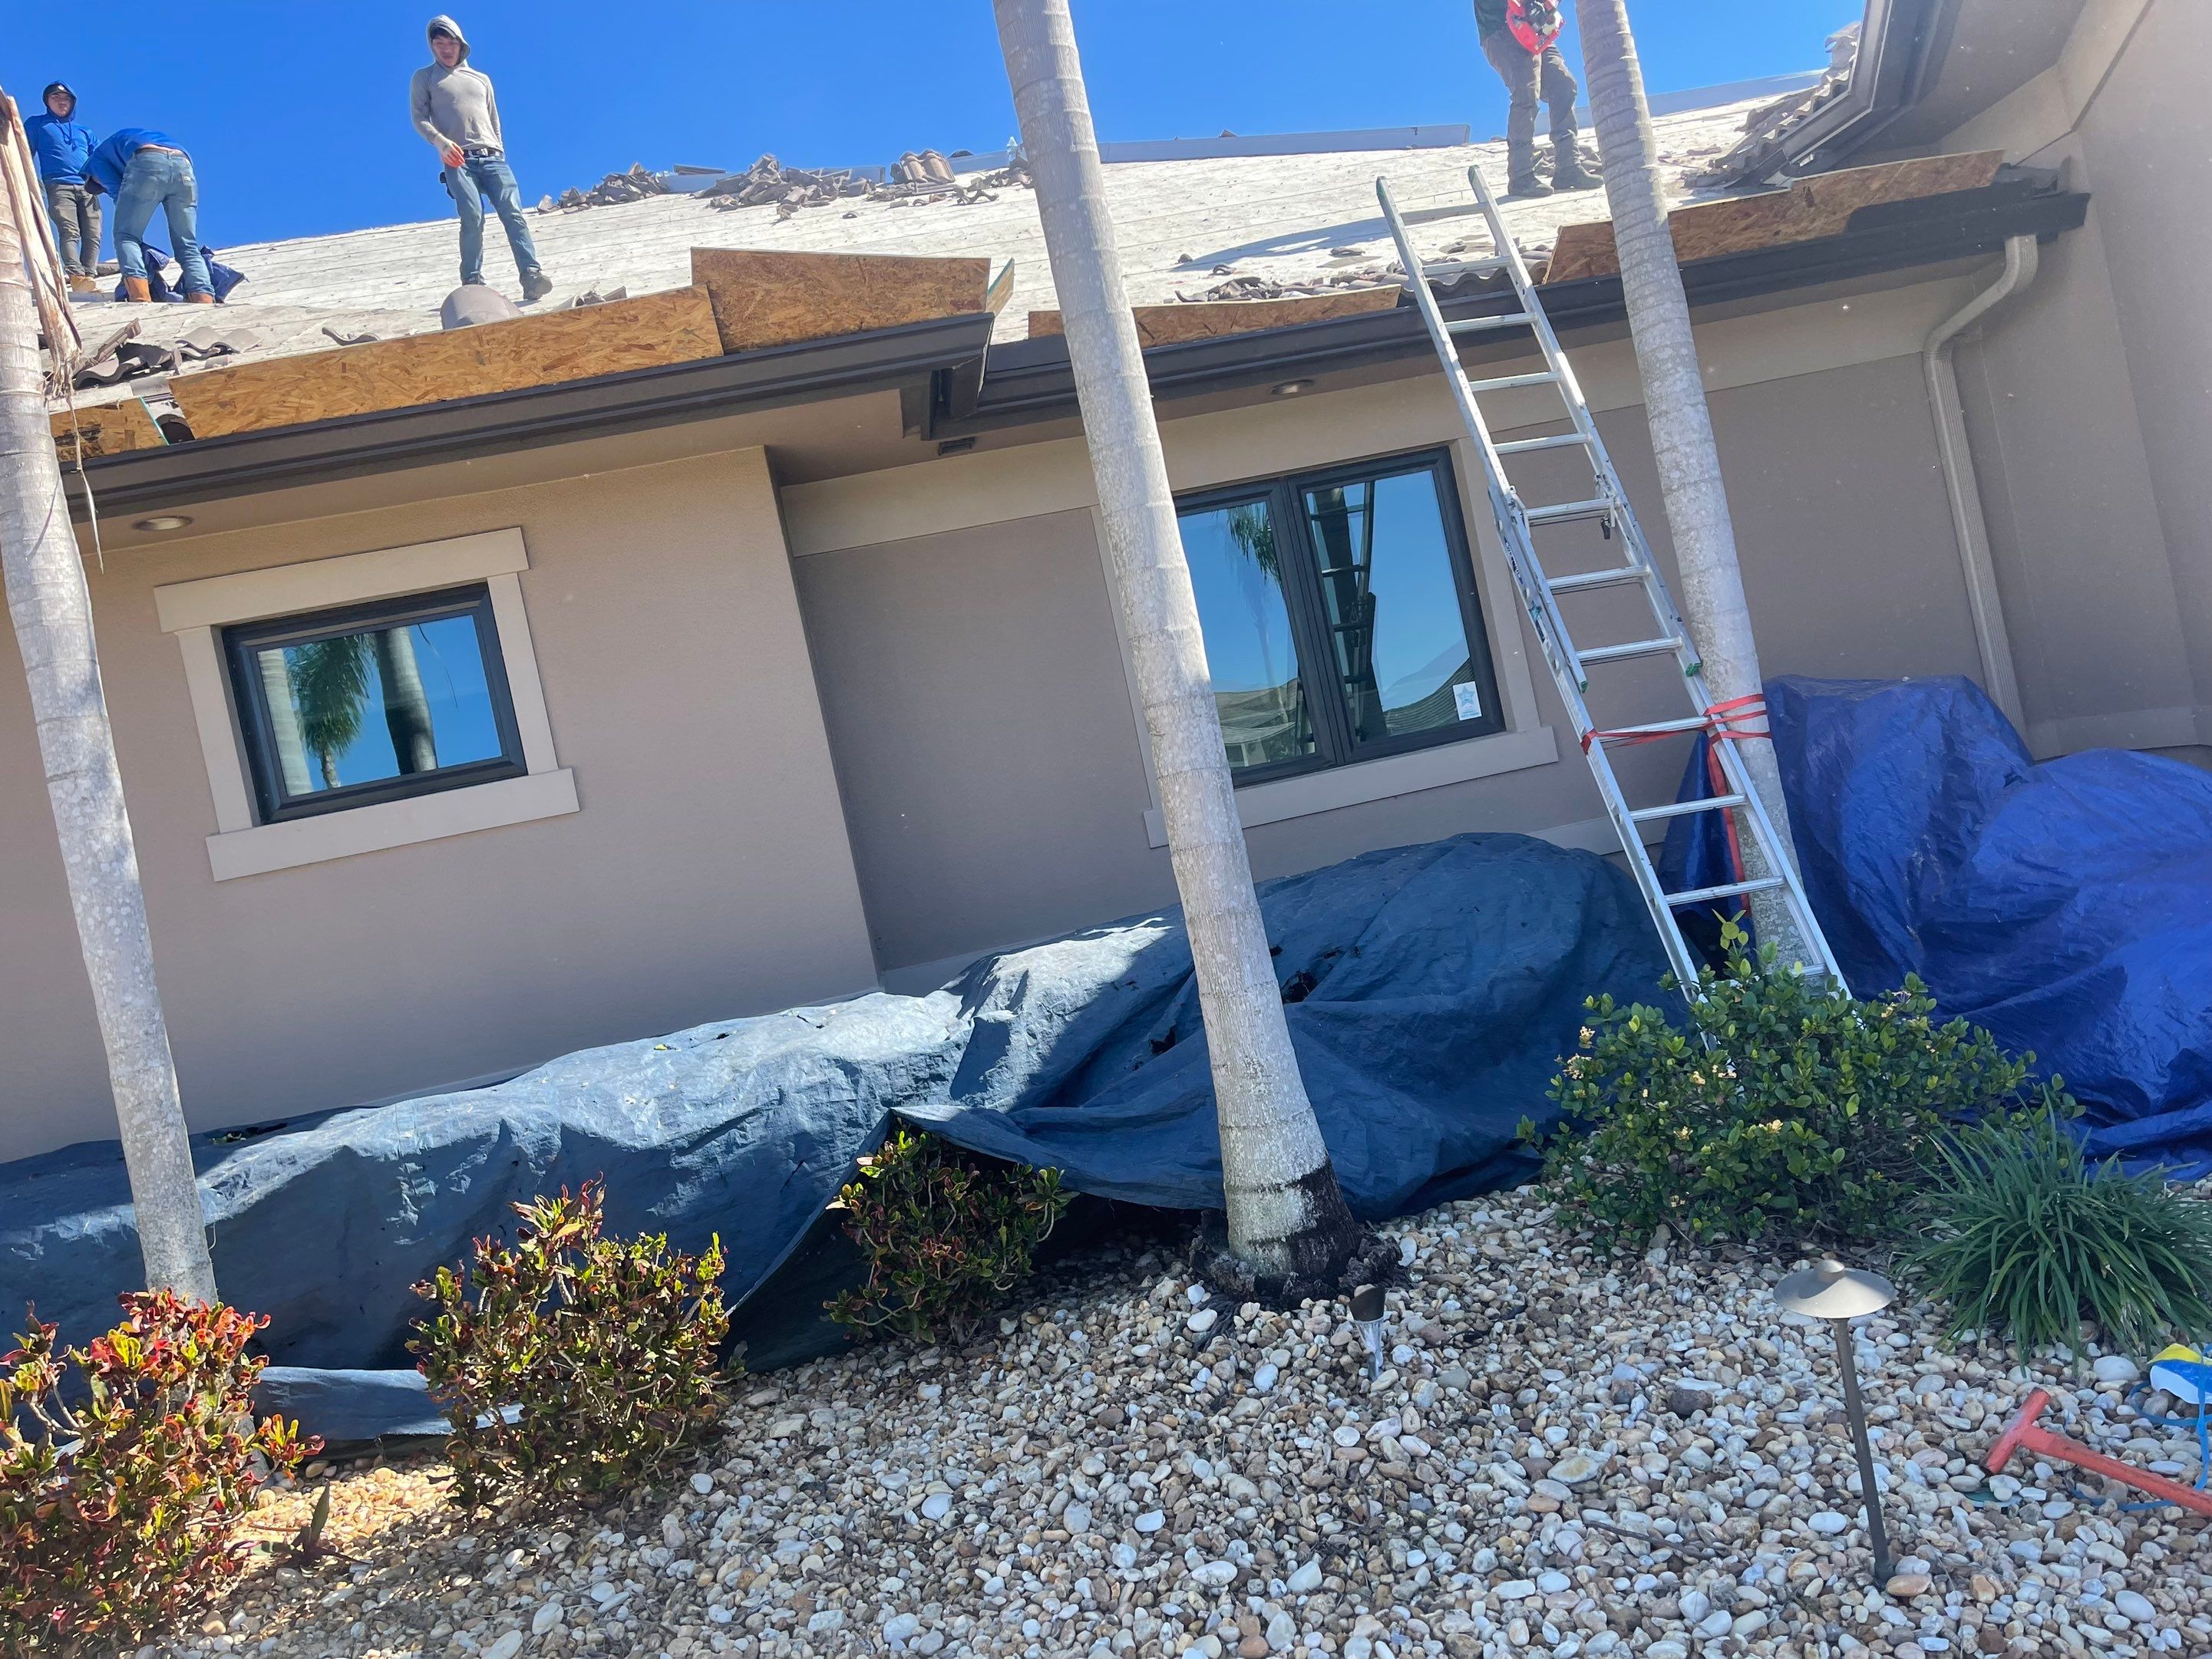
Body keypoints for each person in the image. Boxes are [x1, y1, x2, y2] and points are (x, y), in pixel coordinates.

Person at [410, 15, 553, 302]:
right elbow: (419, 118)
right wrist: (440, 143)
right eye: (439, 44)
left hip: (493, 158)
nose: (446, 49)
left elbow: (494, 120)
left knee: (514, 214)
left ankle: (532, 275)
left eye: (451, 43)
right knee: (473, 216)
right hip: (457, 159)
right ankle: (473, 281)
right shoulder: (425, 77)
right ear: (432, 46)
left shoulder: (481, 79)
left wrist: (500, 152)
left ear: (461, 45)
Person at [1474, 0, 1602, 197]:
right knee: (1526, 95)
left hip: (1533, 26)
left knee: (1564, 85)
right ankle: (1521, 176)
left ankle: (1568, 167)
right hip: (1502, 29)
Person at [83, 127, 213, 304]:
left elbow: (117, 193)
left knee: (126, 236)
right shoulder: (122, 143)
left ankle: (140, 297)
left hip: (147, 160)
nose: (101, 187)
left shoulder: (96, 163)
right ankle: (203, 296)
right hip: (184, 165)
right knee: (187, 245)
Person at [24, 83, 101, 293]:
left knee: (93, 233)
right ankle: (76, 275)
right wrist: (27, 179)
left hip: (87, 187)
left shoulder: (84, 131)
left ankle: (89, 276)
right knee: (69, 230)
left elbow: (99, 160)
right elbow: (23, 150)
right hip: (59, 185)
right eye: (55, 97)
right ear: (47, 102)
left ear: (73, 102)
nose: (61, 101)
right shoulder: (37, 124)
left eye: (65, 98)